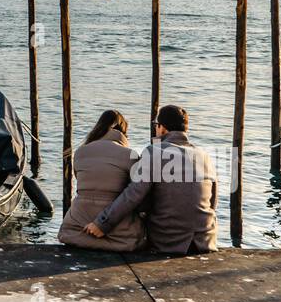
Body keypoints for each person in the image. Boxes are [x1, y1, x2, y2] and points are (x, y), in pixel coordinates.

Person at [84, 104, 218, 254]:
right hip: (205, 241)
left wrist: (102, 223)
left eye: (156, 125)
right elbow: (212, 202)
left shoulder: (155, 151)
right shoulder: (204, 155)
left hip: (168, 242)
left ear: (162, 127)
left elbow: (134, 194)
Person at [58, 110, 148, 251]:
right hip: (120, 236)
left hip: (75, 230)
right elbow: (135, 194)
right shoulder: (130, 155)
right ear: (123, 131)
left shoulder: (80, 152)